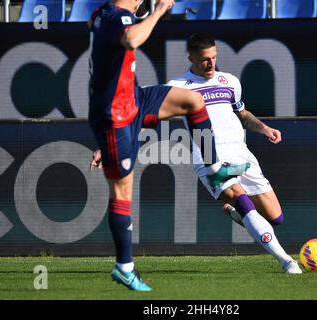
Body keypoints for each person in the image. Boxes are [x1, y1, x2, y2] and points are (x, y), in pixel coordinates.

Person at [87, 1, 249, 292]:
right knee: (122, 191)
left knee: (193, 100)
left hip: (133, 99)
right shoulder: (120, 18)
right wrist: (159, 11)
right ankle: (124, 267)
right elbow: (131, 39)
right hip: (115, 115)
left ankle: (214, 169)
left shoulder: (102, 13)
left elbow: (95, 25)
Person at [166, 33, 302, 274]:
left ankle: (236, 213)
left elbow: (242, 114)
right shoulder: (177, 87)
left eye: (214, 57)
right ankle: (287, 261)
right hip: (209, 154)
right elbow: (146, 114)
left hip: (241, 153)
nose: (211, 64)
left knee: (276, 217)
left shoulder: (229, 81)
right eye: (205, 59)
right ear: (191, 58)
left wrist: (264, 128)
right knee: (241, 198)